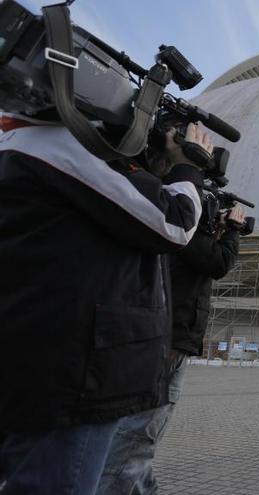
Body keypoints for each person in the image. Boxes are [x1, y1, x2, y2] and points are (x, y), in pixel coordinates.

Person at [0, 117, 205, 494]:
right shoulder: (64, 147)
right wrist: (188, 169)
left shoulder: (21, 146)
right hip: (74, 376)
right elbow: (174, 221)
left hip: (41, 361)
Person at [98, 164, 245, 492]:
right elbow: (217, 263)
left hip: (177, 336)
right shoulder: (182, 228)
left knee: (145, 433)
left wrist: (218, 231)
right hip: (171, 337)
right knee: (141, 432)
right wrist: (232, 232)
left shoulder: (188, 233)